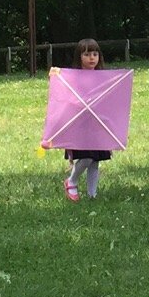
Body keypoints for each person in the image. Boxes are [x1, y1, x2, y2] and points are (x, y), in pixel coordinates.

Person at [62, 38, 112, 201]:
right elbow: (67, 97)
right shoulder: (73, 78)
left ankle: (92, 194)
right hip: (81, 125)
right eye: (87, 54)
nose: (92, 58)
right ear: (79, 57)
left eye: (95, 54)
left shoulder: (103, 77)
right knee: (87, 156)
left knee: (95, 160)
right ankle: (72, 180)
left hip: (97, 124)